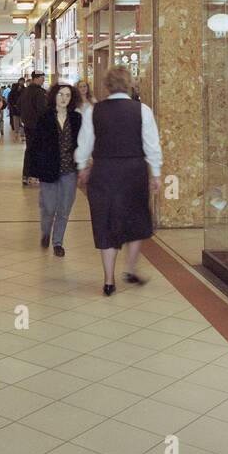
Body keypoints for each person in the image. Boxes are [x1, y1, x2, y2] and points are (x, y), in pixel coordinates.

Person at [76, 66, 163, 296]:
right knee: (136, 220)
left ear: (106, 86)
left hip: (103, 171)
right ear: (130, 84)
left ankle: (108, 280)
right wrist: (155, 173)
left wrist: (83, 166)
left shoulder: (93, 112)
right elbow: (151, 145)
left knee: (105, 222)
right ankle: (131, 269)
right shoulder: (142, 111)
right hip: (133, 171)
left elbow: (84, 144)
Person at [34, 83, 82, 258]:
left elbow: (81, 143)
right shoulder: (45, 117)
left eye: (67, 95)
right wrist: (34, 170)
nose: (63, 98)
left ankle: (58, 242)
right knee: (48, 206)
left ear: (71, 98)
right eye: (61, 94)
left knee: (64, 207)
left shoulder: (76, 119)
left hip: (69, 170)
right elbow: (35, 145)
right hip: (49, 168)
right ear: (54, 96)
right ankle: (46, 231)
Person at [16, 71, 49, 186]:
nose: (43, 80)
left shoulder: (25, 91)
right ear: (35, 78)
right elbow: (42, 110)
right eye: (41, 78)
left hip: (28, 126)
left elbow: (18, 105)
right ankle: (34, 176)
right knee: (37, 150)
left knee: (30, 149)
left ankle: (26, 176)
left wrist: (25, 118)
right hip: (38, 126)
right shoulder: (39, 92)